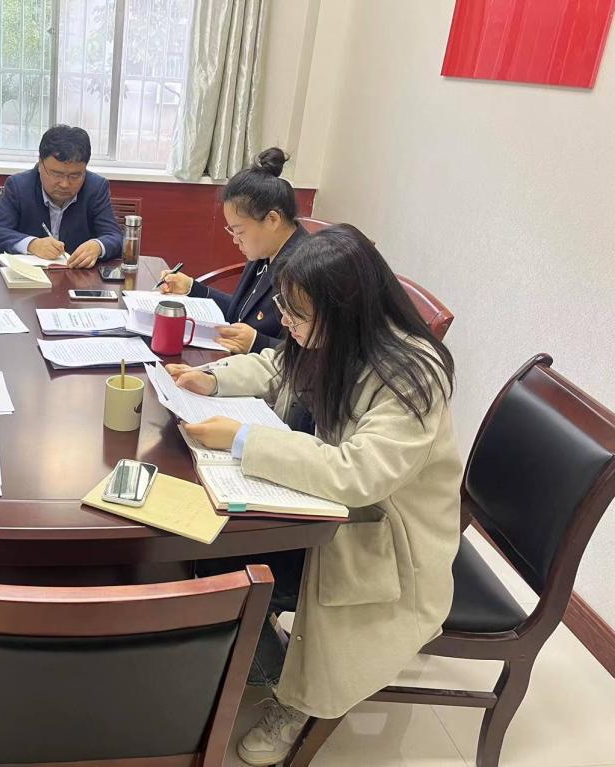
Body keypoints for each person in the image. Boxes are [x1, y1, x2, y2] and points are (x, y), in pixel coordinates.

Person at [167, 225, 461, 766]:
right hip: (326, 505)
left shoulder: (411, 376)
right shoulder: (332, 339)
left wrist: (243, 439)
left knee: (233, 558)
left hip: (383, 537)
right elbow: (277, 366)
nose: (286, 322)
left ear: (348, 311)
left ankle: (296, 700)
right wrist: (213, 379)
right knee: (208, 539)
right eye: (285, 307)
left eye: (298, 313)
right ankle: (241, 651)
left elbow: (359, 474)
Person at [158, 147, 307, 355]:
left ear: (272, 220)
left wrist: (258, 342)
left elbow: (312, 354)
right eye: (232, 231)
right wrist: (193, 288)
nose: (236, 240)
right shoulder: (266, 251)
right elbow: (242, 312)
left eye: (240, 231)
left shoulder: (305, 269)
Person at [0, 124, 124, 269]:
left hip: (77, 276)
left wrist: (98, 246)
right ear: (40, 164)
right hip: (29, 277)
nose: (64, 184)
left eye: (75, 176)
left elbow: (115, 237)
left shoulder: (96, 188)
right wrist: (32, 244)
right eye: (56, 174)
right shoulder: (19, 186)